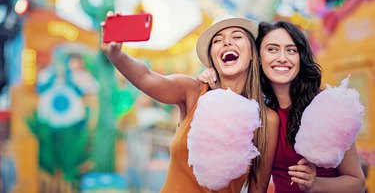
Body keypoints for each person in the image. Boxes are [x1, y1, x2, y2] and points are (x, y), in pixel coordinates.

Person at [101, 12, 279, 192]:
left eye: (237, 36)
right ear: (213, 58)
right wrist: (116, 55)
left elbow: (258, 189)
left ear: (252, 54)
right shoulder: (193, 92)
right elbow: (146, 77)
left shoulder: (267, 119)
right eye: (217, 40)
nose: (226, 42)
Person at [199, 20, 366, 192]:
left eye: (291, 50)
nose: (282, 58)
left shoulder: (326, 106)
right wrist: (213, 74)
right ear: (258, 58)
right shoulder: (258, 115)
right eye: (272, 49)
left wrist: (314, 184)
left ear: (300, 58)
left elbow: (358, 183)